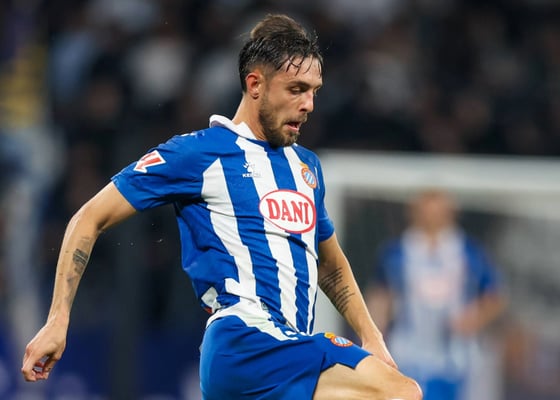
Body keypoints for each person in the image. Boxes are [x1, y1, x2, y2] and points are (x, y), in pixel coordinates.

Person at [21, 14, 422, 400]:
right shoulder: (198, 153)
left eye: (314, 91)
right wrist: (57, 320)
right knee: (401, 392)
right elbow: (88, 218)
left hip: (286, 349)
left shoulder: (306, 168)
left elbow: (329, 265)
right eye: (296, 89)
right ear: (255, 84)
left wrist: (371, 336)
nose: (309, 104)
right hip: (246, 343)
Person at [366, 189, 506, 400]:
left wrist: (473, 319)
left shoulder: (469, 251)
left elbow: (494, 295)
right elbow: (380, 294)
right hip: (406, 352)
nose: (432, 217)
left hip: (456, 357)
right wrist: (376, 329)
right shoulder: (396, 252)